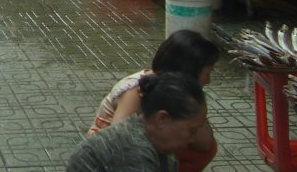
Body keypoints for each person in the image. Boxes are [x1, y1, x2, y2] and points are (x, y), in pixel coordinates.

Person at [88, 30, 220, 171]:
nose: (208, 80)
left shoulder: (179, 93)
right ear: (189, 71)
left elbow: (204, 144)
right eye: (207, 73)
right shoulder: (134, 91)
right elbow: (119, 141)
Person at [68, 71, 208, 172]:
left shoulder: (157, 145)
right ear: (162, 119)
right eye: (191, 130)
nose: (192, 140)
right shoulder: (133, 150)